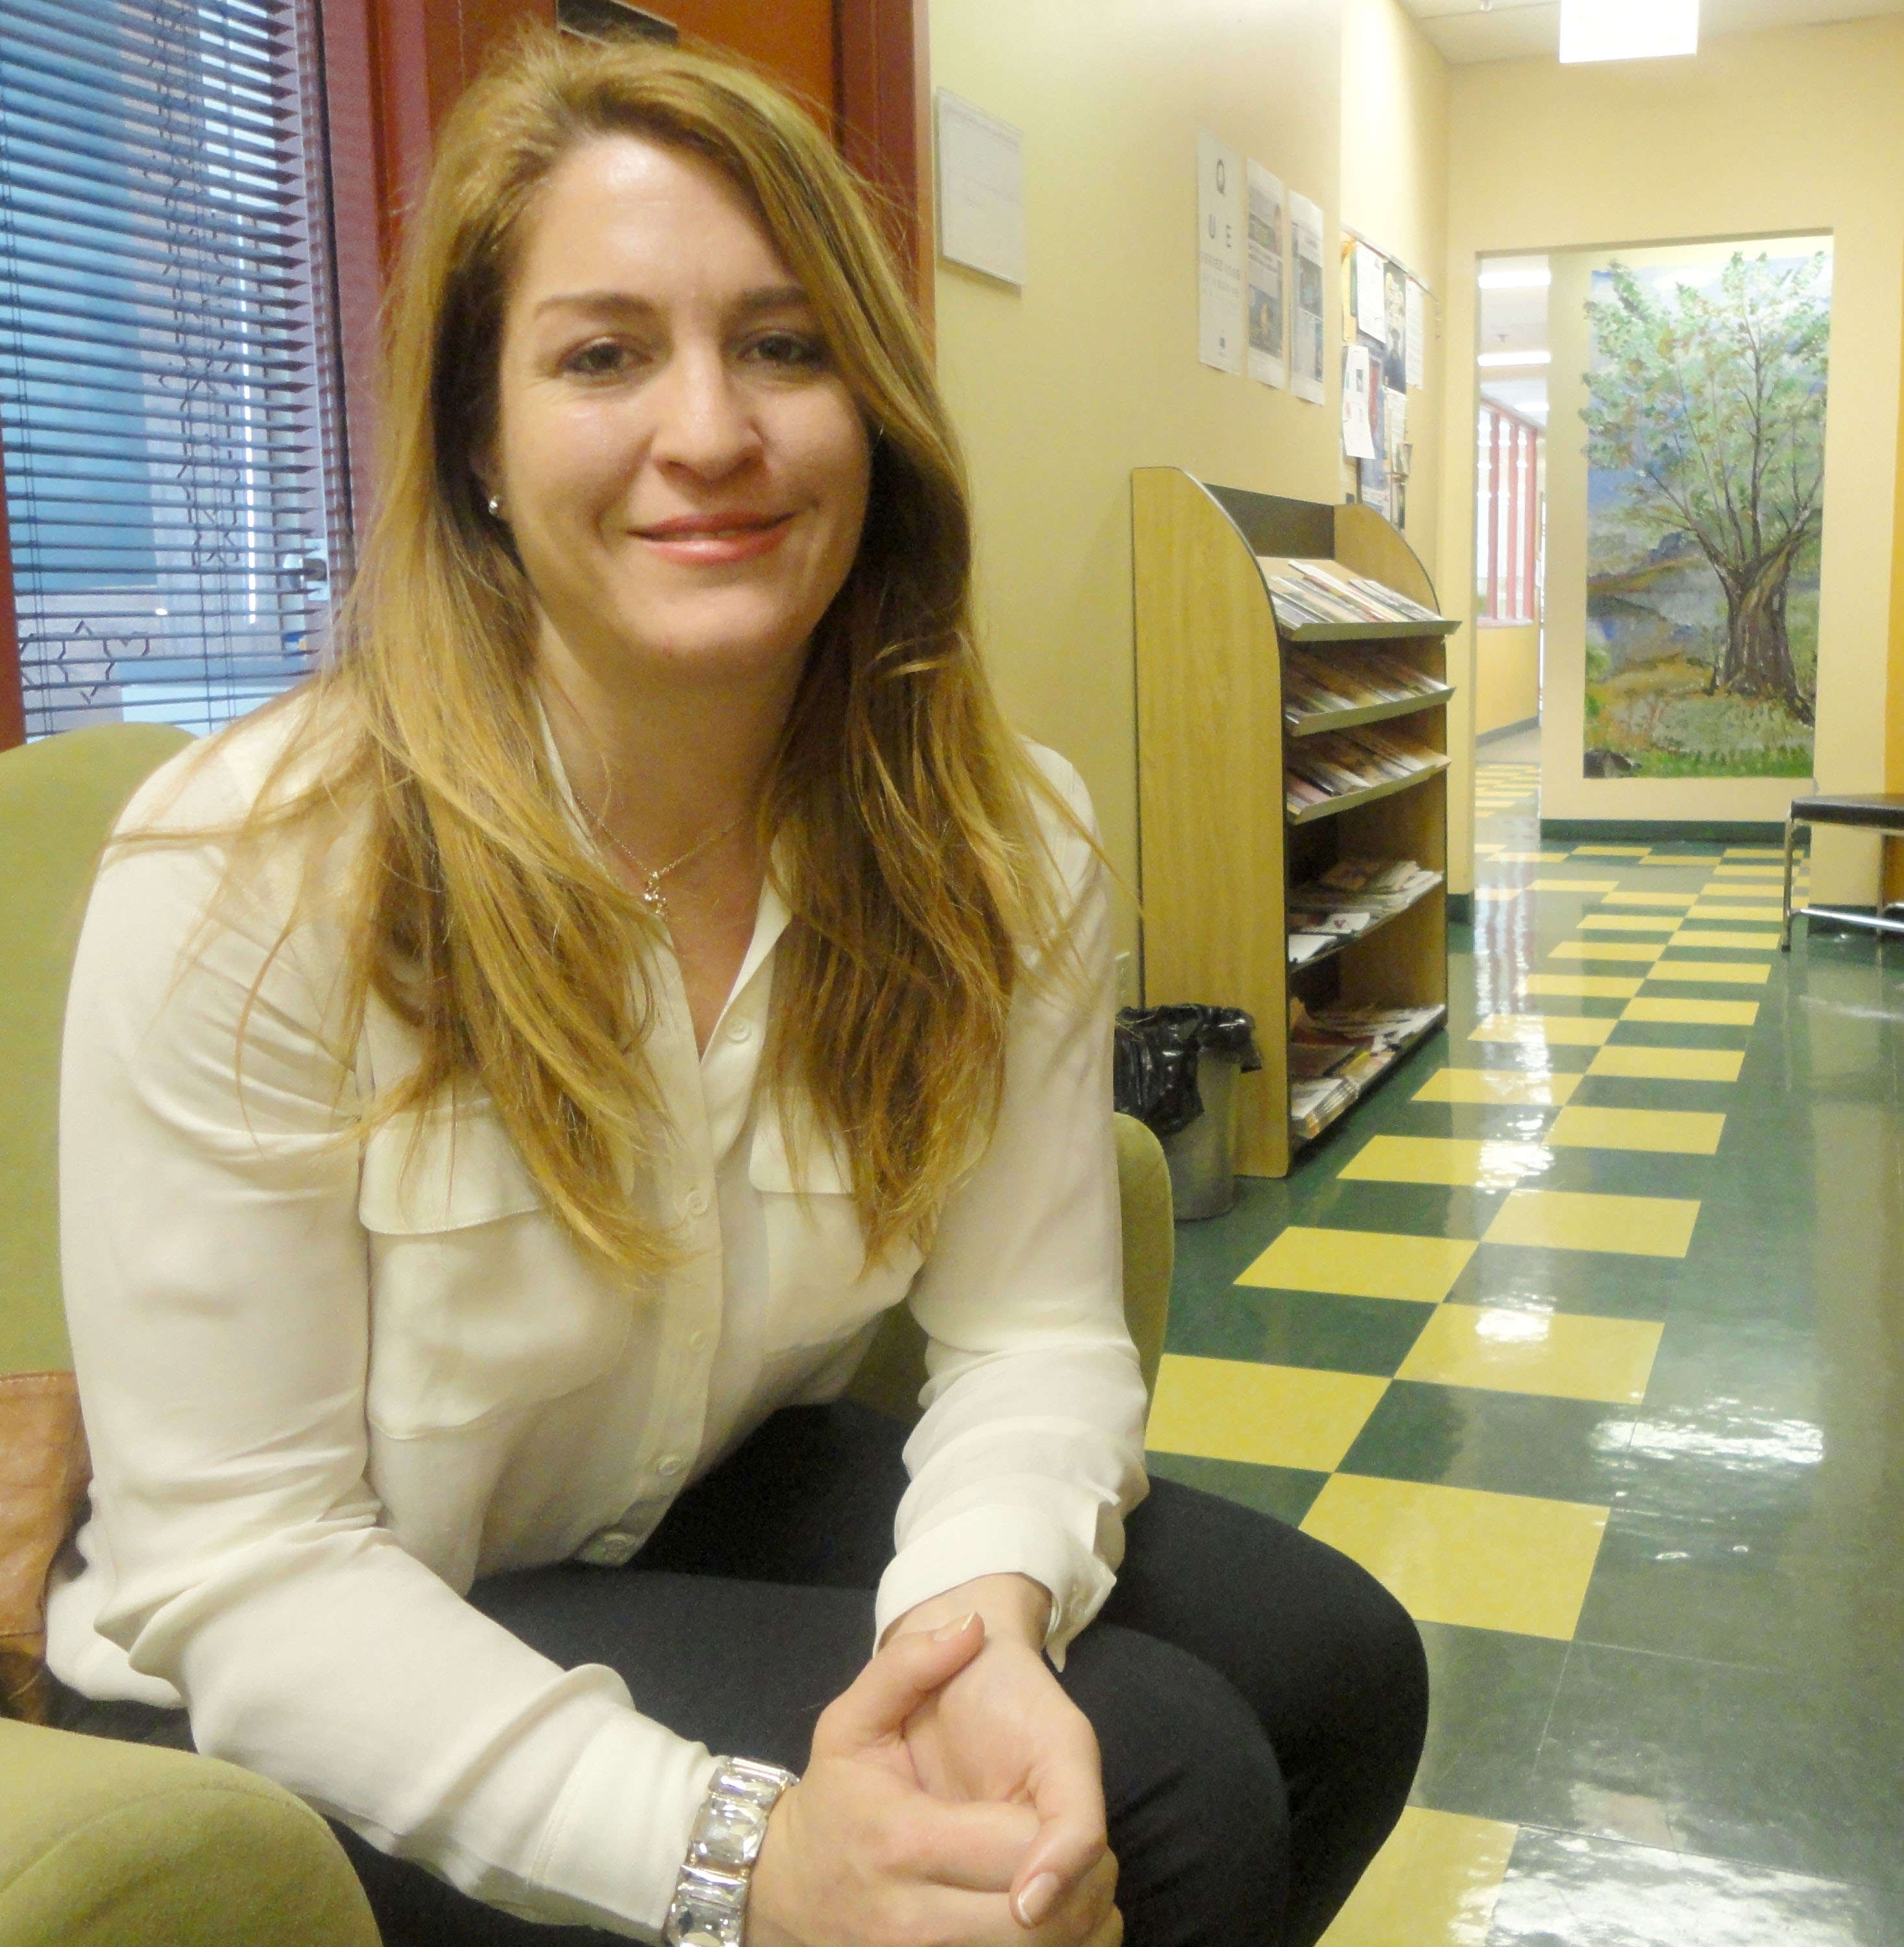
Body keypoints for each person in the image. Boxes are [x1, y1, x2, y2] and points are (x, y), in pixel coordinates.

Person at [47, 29, 1427, 1947]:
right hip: (292, 1656)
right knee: (1161, 1775)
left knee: (1334, 1665)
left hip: (660, 1505)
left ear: (876, 410)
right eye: (602, 357)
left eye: (783, 345)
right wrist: (742, 1857)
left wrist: (977, 1622)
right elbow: (248, 1570)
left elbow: (1034, 1338)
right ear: (477, 440)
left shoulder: (996, 837)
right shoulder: (253, 871)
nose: (710, 431)